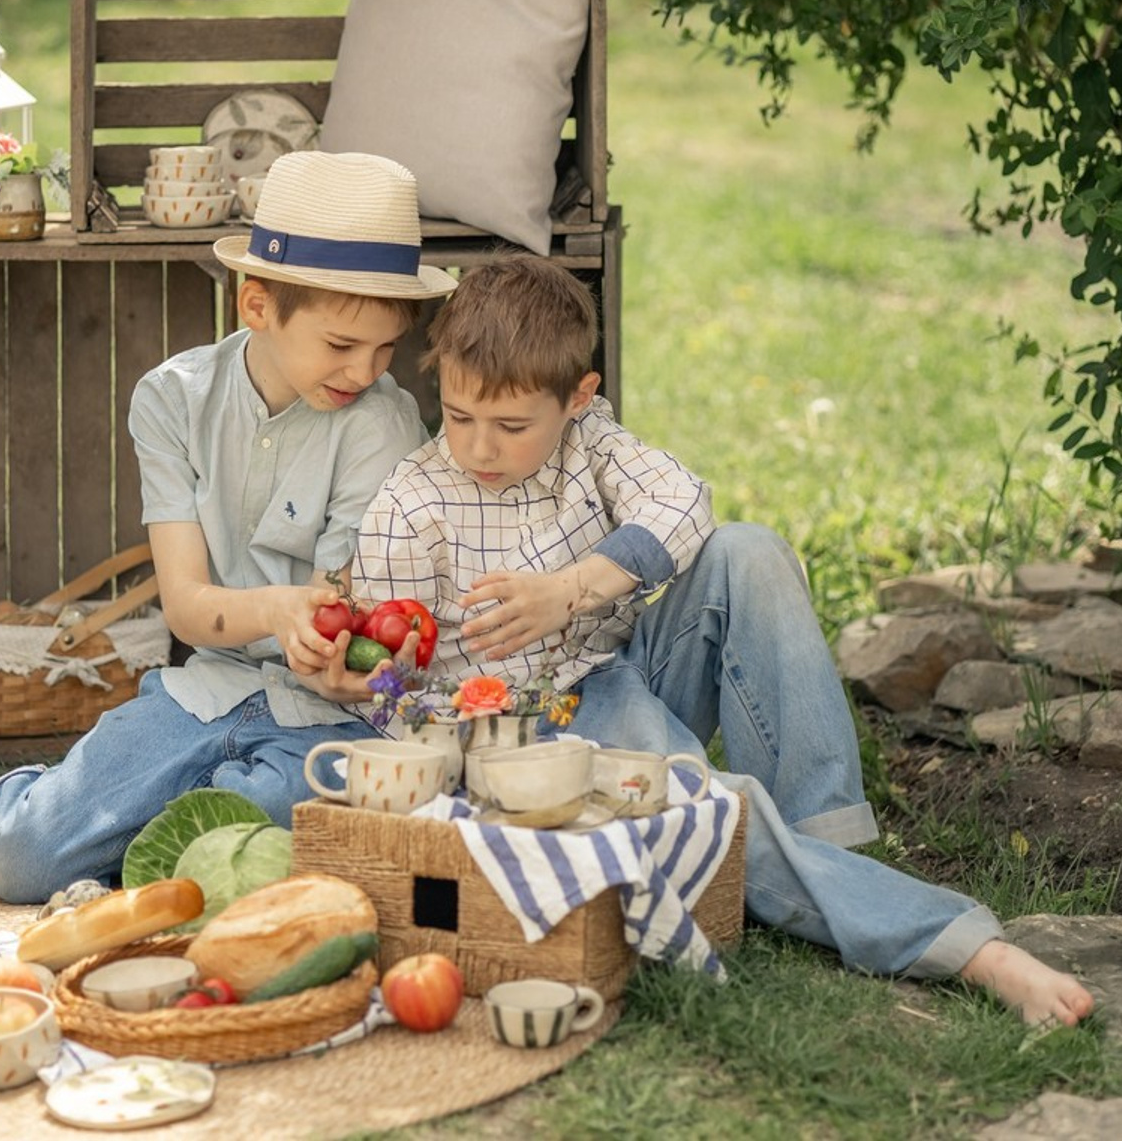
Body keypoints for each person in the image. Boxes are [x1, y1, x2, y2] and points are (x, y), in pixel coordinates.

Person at [350, 255, 1095, 1028]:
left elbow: (683, 502)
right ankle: (961, 945)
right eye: (459, 415)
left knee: (749, 550)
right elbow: (392, 695)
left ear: (578, 398)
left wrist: (571, 590)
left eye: (511, 427)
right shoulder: (411, 504)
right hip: (542, 734)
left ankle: (821, 843)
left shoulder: (590, 442)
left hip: (624, 669)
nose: (477, 448)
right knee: (704, 800)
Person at [0, 151, 456, 904]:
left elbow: (344, 616)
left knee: (244, 843)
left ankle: (148, 832)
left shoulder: (382, 427)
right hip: (206, 688)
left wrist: (332, 656)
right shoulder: (172, 399)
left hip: (325, 717)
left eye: (385, 348)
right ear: (256, 304)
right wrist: (275, 611)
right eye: (340, 345)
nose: (365, 371)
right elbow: (188, 607)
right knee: (20, 866)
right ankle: (53, 799)